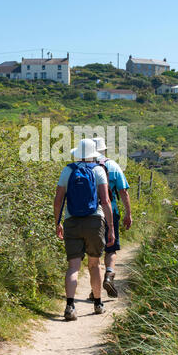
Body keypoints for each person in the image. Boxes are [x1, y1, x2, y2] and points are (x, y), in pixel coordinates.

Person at [54, 138, 115, 321]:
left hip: (71, 220)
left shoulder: (68, 170)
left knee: (73, 266)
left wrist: (57, 222)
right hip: (95, 221)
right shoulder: (98, 170)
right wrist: (110, 227)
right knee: (94, 264)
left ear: (77, 153)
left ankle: (70, 306)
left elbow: (58, 200)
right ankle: (97, 304)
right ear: (93, 154)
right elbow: (105, 201)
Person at [88, 137, 132, 300]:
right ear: (104, 150)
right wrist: (128, 213)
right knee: (111, 248)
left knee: (94, 255)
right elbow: (123, 192)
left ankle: (95, 290)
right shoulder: (113, 166)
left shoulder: (85, 167)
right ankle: (109, 274)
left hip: (91, 214)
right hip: (111, 211)